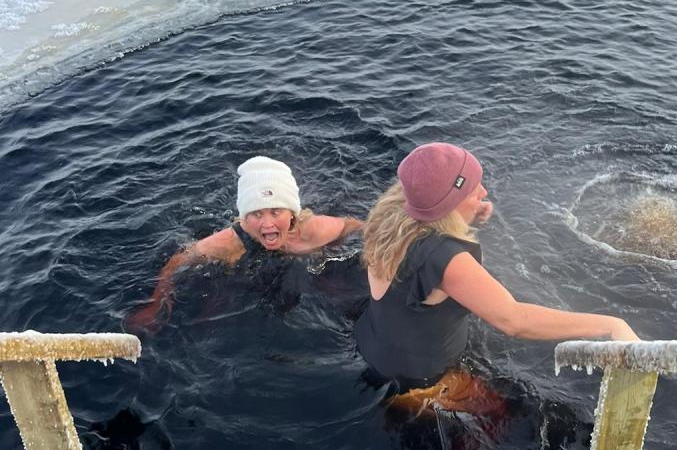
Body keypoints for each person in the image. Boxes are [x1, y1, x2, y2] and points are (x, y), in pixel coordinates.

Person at [354, 142, 639, 415]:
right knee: (505, 416)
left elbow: (430, 227)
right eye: (471, 189)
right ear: (449, 205)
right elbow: (515, 321)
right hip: (420, 383)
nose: (483, 191)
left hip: (373, 344)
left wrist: (464, 213)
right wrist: (610, 325)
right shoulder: (445, 259)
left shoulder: (392, 210)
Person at [127, 155, 363, 332]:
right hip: (243, 276)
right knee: (205, 321)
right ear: (244, 218)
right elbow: (176, 262)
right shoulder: (228, 243)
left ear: (292, 213)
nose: (267, 224)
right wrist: (156, 303)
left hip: (302, 273)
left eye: (275, 211)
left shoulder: (314, 230)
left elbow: (360, 227)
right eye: (256, 214)